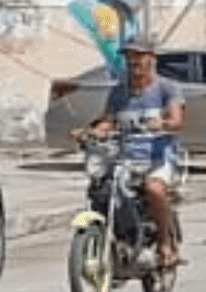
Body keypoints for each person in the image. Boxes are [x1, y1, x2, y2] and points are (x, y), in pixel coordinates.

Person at [77, 38, 185, 270]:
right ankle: (118, 239)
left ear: (151, 58)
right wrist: (92, 132)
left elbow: (177, 120)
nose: (133, 61)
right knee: (103, 189)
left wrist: (163, 123)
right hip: (125, 159)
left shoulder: (166, 88)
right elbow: (108, 121)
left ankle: (165, 244)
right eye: (129, 57)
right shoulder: (119, 92)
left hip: (157, 158)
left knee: (154, 189)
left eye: (139, 56)